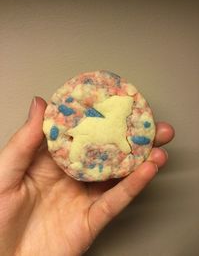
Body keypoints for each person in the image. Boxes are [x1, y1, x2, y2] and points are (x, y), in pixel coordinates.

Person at [0, 97, 174, 256]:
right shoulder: (99, 119)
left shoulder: (119, 117)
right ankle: (77, 151)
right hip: (88, 133)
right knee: (82, 141)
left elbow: (120, 137)